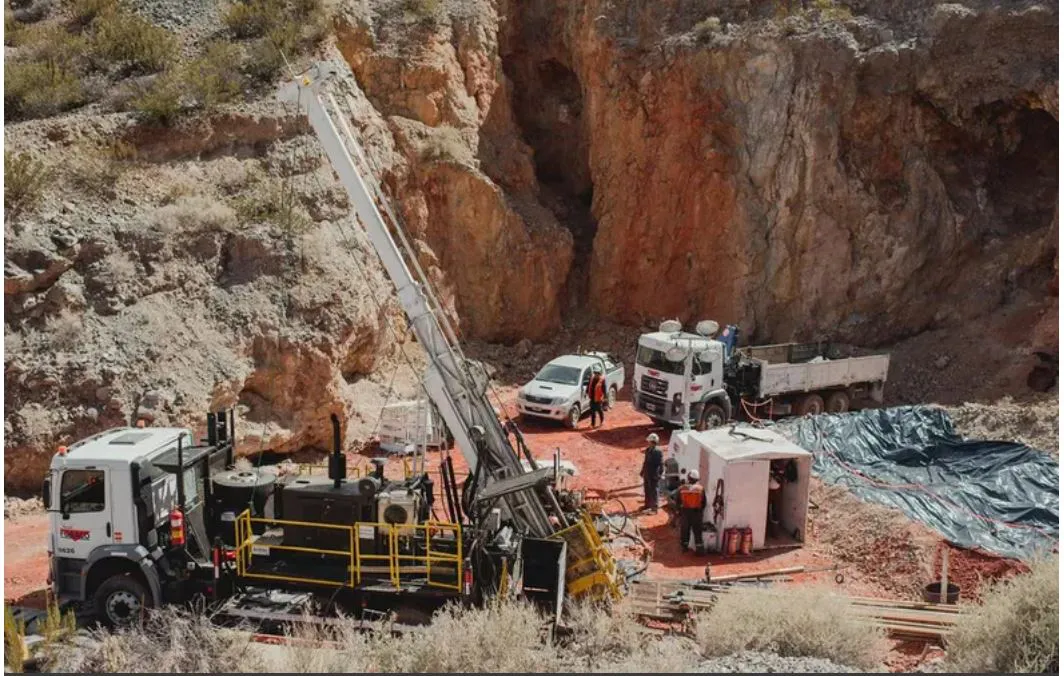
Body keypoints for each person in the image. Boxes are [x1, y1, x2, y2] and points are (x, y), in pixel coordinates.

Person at [676, 470, 707, 554]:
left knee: (685, 531)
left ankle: (684, 548)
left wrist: (680, 512)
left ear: (688, 478)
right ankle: (699, 550)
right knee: (697, 532)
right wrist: (700, 512)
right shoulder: (701, 489)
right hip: (697, 513)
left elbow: (677, 502)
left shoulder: (682, 488)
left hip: (685, 513)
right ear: (697, 479)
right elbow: (704, 503)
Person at [640, 433, 664, 512]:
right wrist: (642, 471)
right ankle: (647, 505)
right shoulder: (648, 450)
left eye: (649, 441)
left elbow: (661, 464)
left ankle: (654, 508)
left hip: (654, 474)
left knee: (654, 491)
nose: (648, 442)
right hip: (647, 473)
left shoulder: (658, 452)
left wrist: (659, 474)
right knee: (647, 489)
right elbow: (645, 462)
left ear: (652, 442)